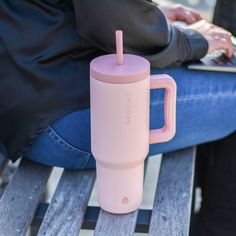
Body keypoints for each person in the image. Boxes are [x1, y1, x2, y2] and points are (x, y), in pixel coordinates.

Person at [0, 1, 235, 235]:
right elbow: (107, 13)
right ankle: (216, 227)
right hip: (60, 118)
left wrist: (144, 16)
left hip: (26, 98)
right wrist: (189, 40)